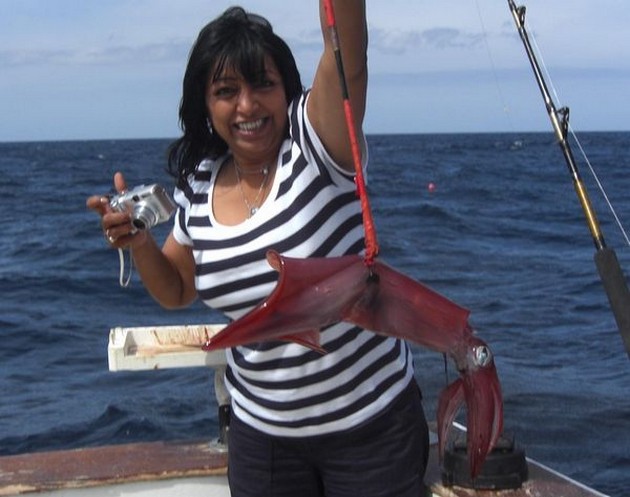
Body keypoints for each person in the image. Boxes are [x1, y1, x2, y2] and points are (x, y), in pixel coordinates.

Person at [87, 3, 429, 496]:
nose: (247, 106)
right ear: (205, 106)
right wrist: (140, 241)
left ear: (287, 90)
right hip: (262, 441)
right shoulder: (199, 184)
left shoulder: (317, 145)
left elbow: (348, 55)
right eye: (226, 91)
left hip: (372, 428)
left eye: (263, 84)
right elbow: (177, 289)